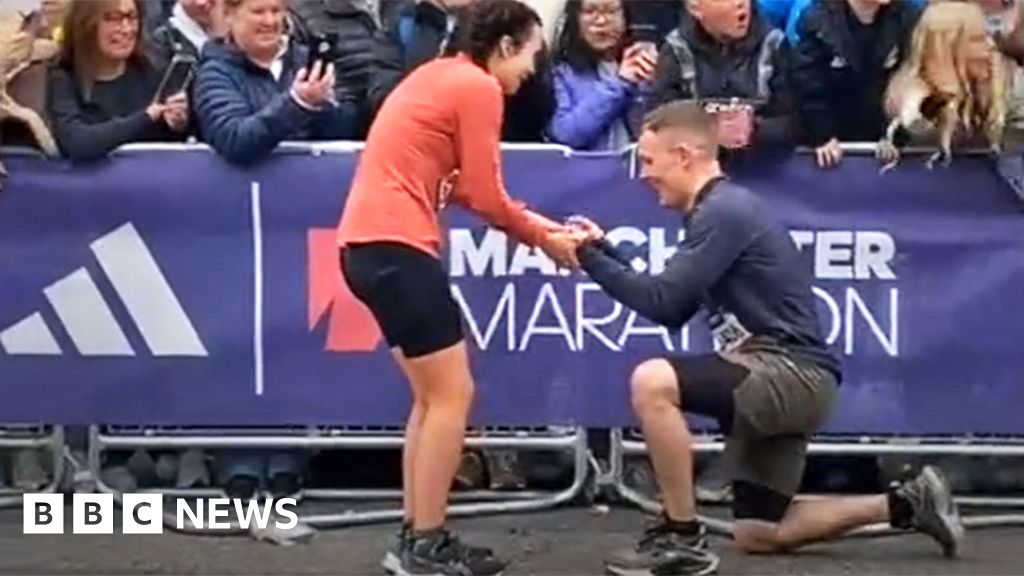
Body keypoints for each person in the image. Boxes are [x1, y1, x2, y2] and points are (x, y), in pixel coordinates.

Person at [567, 100, 965, 576]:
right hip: (794, 376)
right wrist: (602, 251)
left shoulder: (723, 211)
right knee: (760, 532)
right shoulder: (718, 210)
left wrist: (588, 257)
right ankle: (908, 503)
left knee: (652, 382)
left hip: (789, 374)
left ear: (685, 156)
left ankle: (681, 535)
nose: (644, 174)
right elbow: (676, 301)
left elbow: (665, 305)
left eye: (649, 161)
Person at [336, 1, 581, 575]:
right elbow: (487, 195)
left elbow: (472, 193)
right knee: (451, 396)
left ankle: (416, 537)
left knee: (432, 399)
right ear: (504, 46)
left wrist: (541, 229)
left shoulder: (439, 74)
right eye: (530, 56)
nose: (531, 71)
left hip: (368, 247)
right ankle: (426, 541)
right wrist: (544, 238)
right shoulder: (477, 87)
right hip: (396, 246)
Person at [46, 0, 190, 161]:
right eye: (114, 18)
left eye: (132, 17)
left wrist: (178, 125)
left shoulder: (153, 70)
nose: (127, 29)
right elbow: (77, 142)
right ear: (86, 23)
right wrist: (146, 118)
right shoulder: (64, 77)